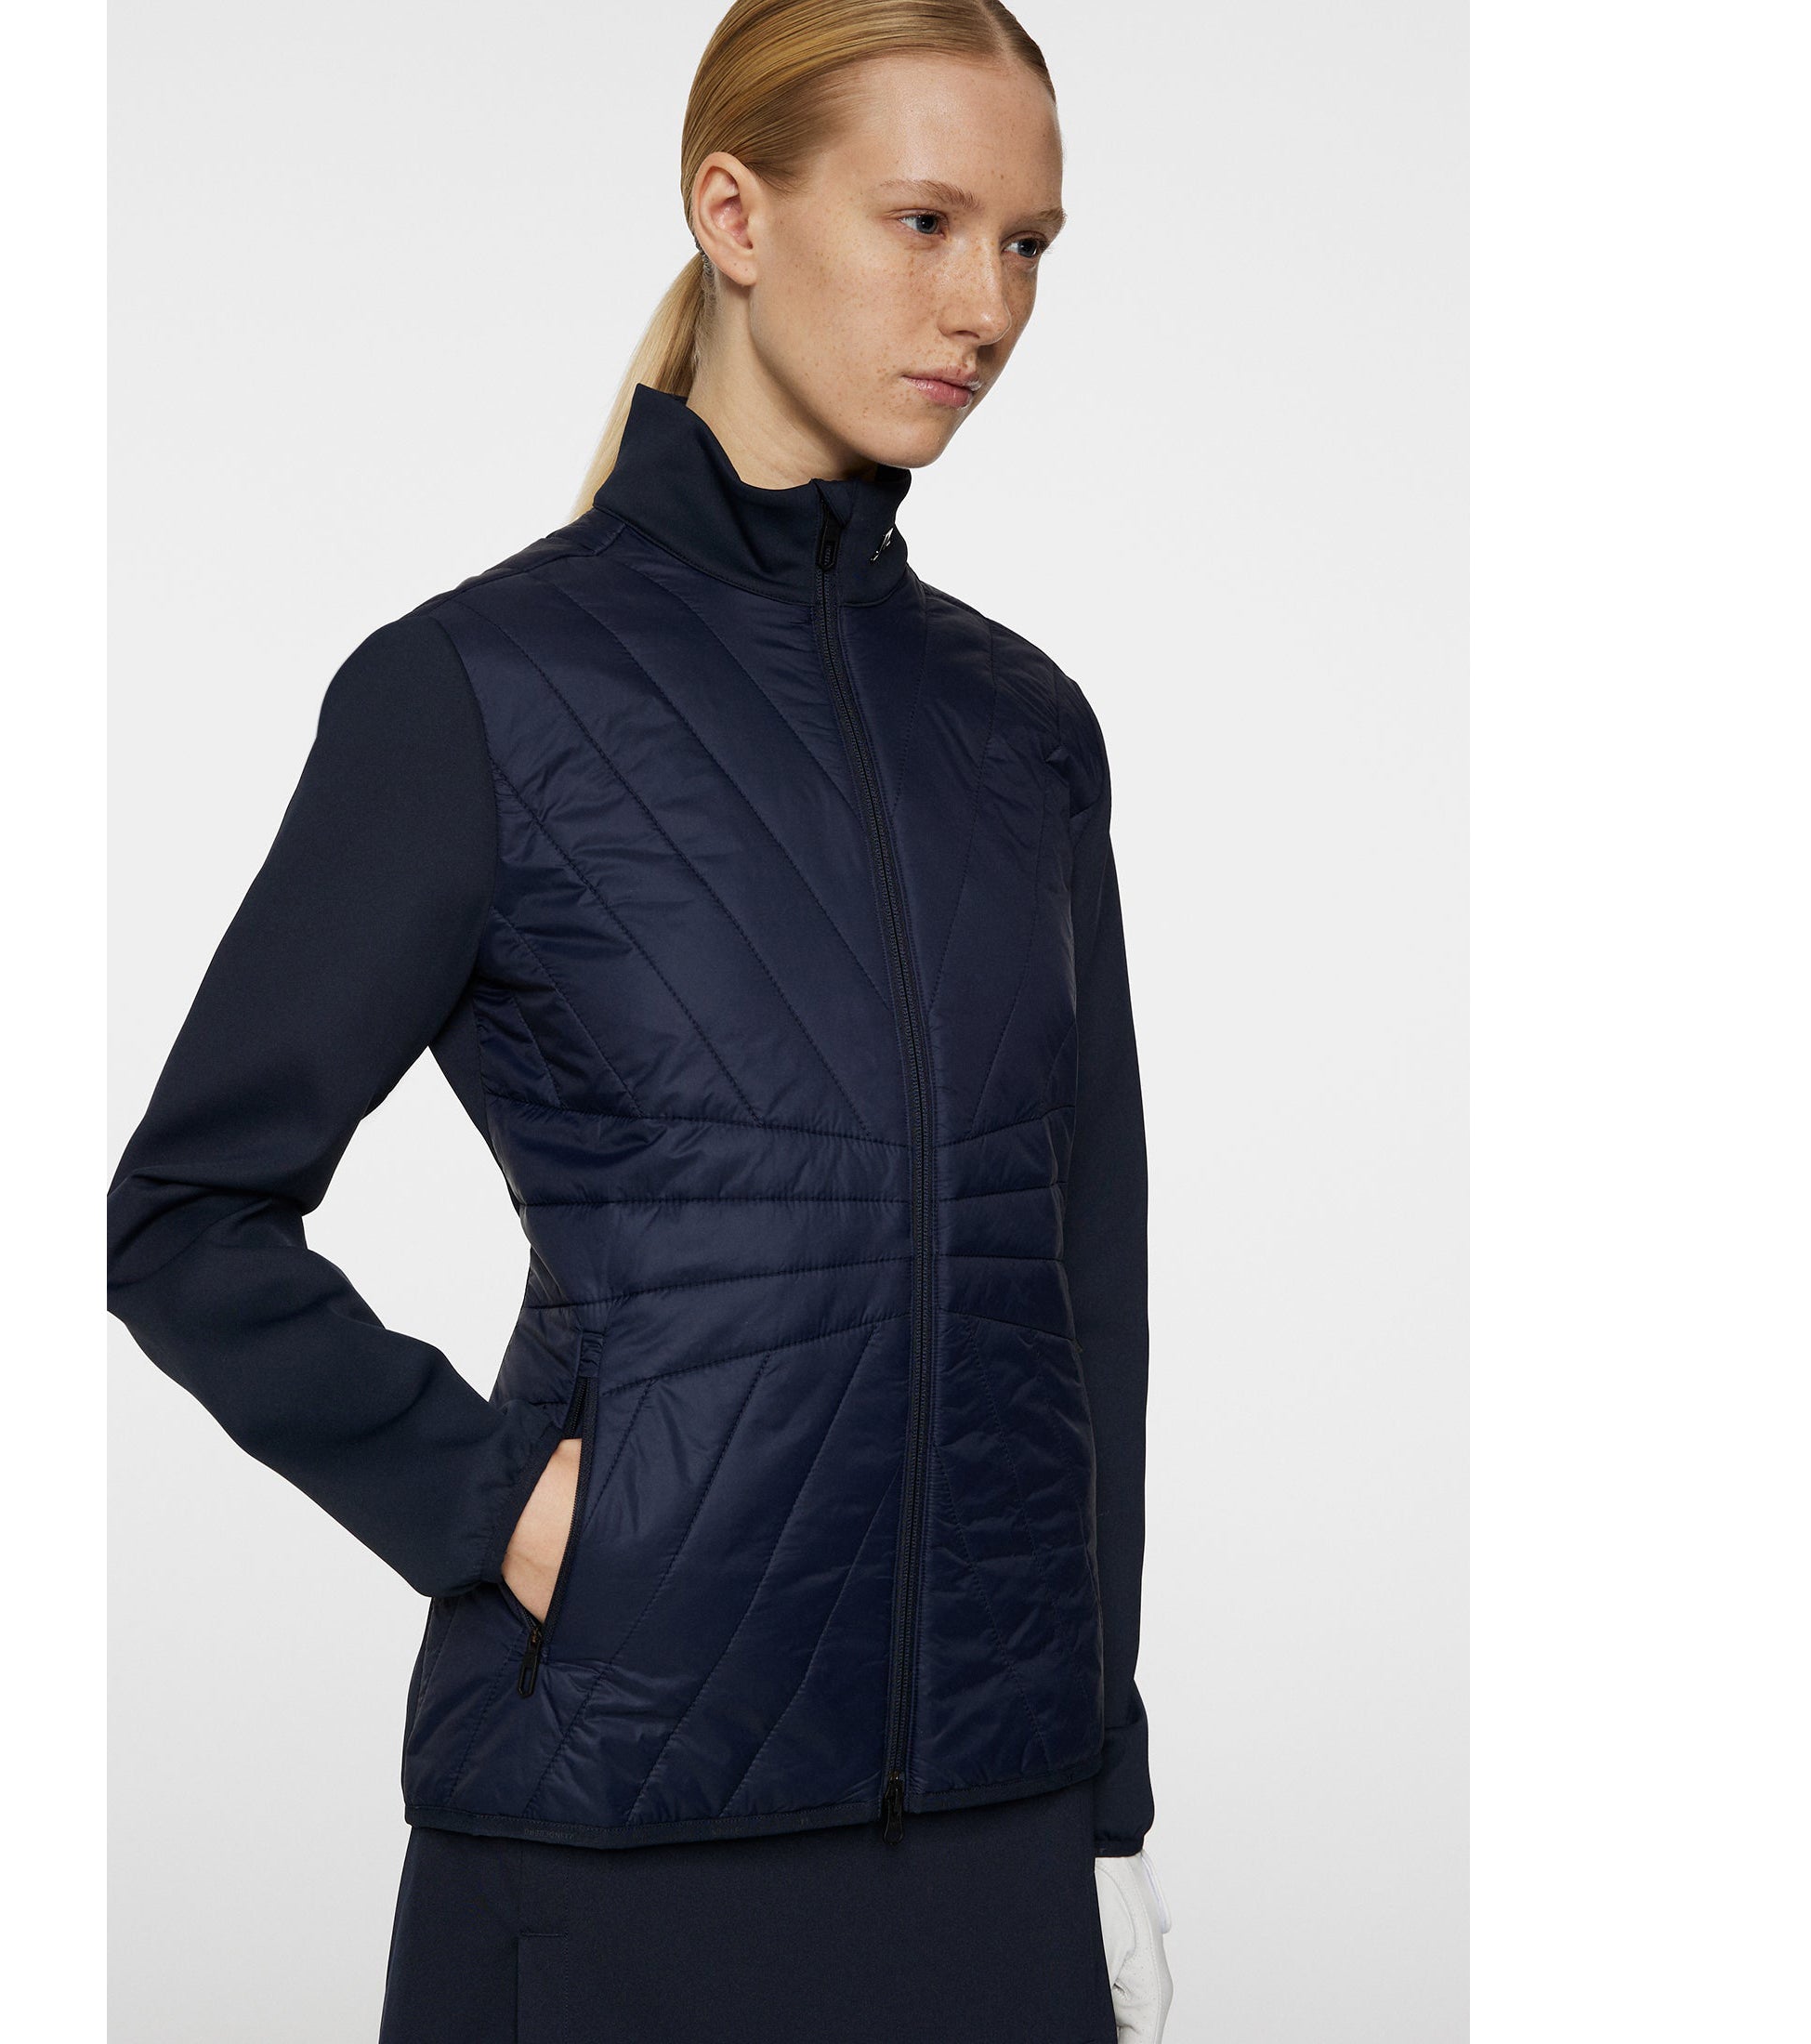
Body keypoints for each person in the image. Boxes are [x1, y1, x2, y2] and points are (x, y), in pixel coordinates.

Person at [105, 2, 1173, 2037]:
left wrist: (1097, 1781)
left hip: (995, 1830)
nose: (985, 305)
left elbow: (1083, 1279)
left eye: (1027, 243)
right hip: (618, 1832)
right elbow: (185, 1216)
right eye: (926, 220)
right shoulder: (477, 695)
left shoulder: (1022, 729)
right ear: (733, 214)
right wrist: (498, 1505)